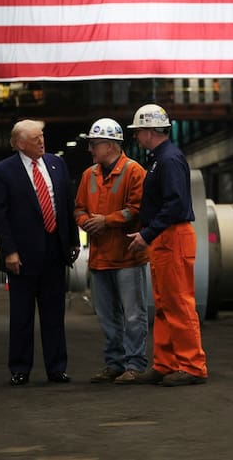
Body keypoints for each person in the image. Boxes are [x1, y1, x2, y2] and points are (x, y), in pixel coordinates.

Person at [0, 119, 79, 386]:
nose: (42, 141)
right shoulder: (3, 171)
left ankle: (57, 368)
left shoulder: (56, 164)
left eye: (42, 136)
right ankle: (20, 368)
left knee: (54, 314)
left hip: (54, 251)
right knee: (22, 315)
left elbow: (66, 204)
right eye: (35, 138)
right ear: (19, 144)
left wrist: (72, 240)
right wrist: (9, 251)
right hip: (22, 256)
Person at [125, 103, 208, 387]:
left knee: (179, 303)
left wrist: (147, 234)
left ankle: (192, 365)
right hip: (164, 238)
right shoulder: (160, 159)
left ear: (149, 131)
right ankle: (166, 363)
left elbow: (175, 205)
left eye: (138, 131)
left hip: (172, 237)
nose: (136, 136)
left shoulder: (169, 159)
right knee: (163, 304)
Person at [74, 118, 149, 384]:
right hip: (100, 257)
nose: (91, 150)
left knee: (133, 314)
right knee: (107, 316)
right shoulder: (88, 175)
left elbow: (138, 209)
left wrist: (106, 220)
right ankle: (115, 363)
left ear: (111, 145)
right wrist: (85, 222)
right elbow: (79, 208)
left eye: (94, 145)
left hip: (128, 255)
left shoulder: (134, 172)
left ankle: (135, 364)